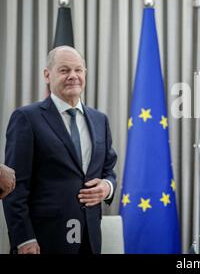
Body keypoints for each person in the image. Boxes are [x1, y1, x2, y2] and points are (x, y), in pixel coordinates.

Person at [3, 46, 117, 254]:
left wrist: (107, 187)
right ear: (48, 75)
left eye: (78, 70)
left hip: (89, 239)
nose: (73, 76)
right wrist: (24, 238)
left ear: (85, 73)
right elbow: (14, 186)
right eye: (64, 70)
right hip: (43, 241)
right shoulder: (26, 118)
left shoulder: (100, 120)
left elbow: (109, 169)